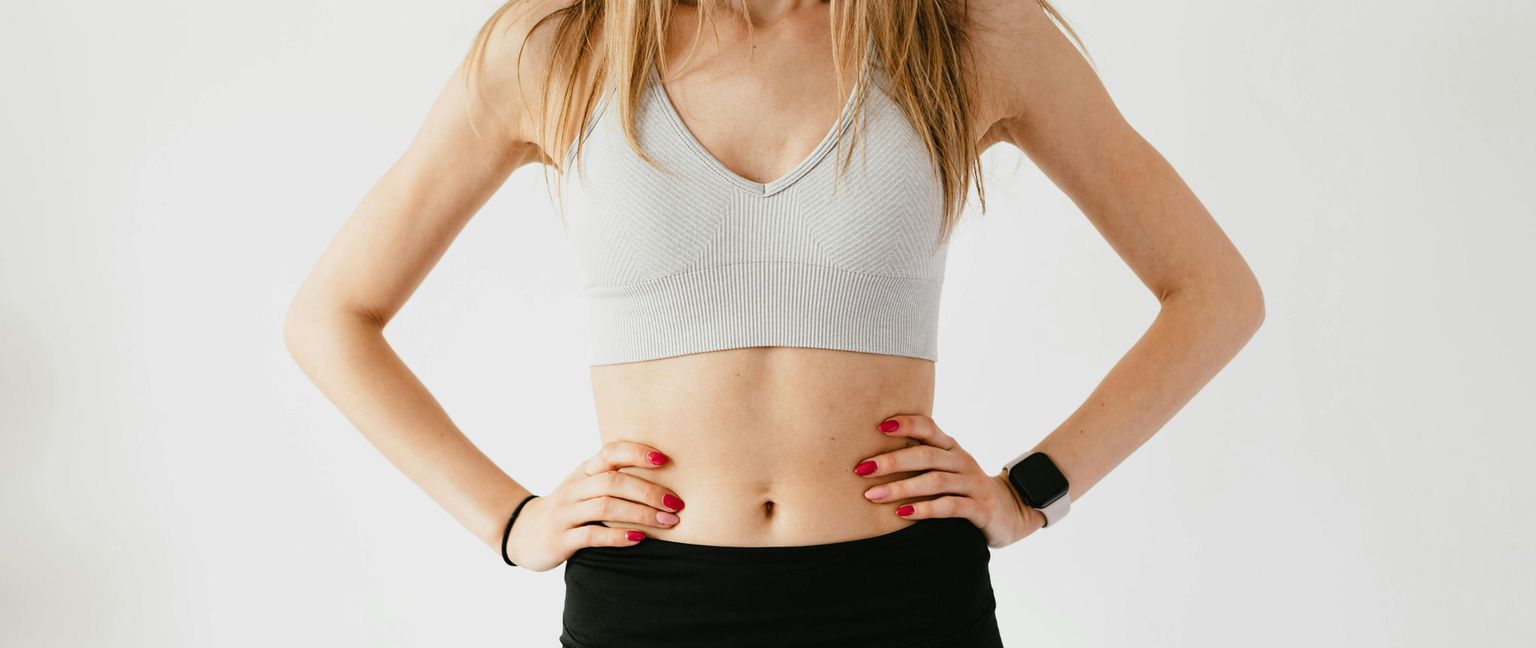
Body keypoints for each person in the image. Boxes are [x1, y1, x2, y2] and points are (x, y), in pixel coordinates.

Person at [283, 1, 1265, 646]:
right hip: (650, 607)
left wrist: (1032, 492)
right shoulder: (558, 44)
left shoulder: (969, 33)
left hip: (907, 603)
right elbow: (332, 316)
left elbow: (1214, 292)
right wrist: (510, 522)